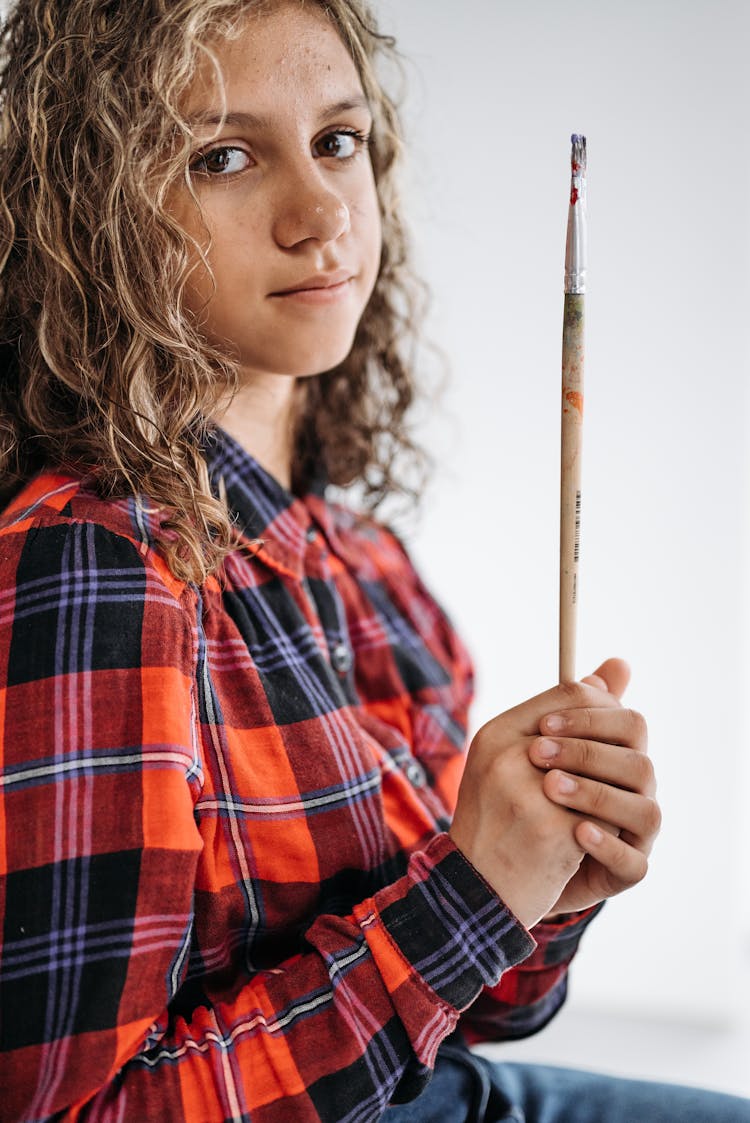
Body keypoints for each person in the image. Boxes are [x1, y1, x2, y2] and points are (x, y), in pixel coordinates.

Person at [0, 1, 746, 1121]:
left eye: (338, 141)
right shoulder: (98, 567)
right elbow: (68, 1114)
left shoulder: (367, 569)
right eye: (224, 157)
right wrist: (474, 889)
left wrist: (544, 884)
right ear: (94, 211)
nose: (319, 215)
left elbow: (487, 1013)